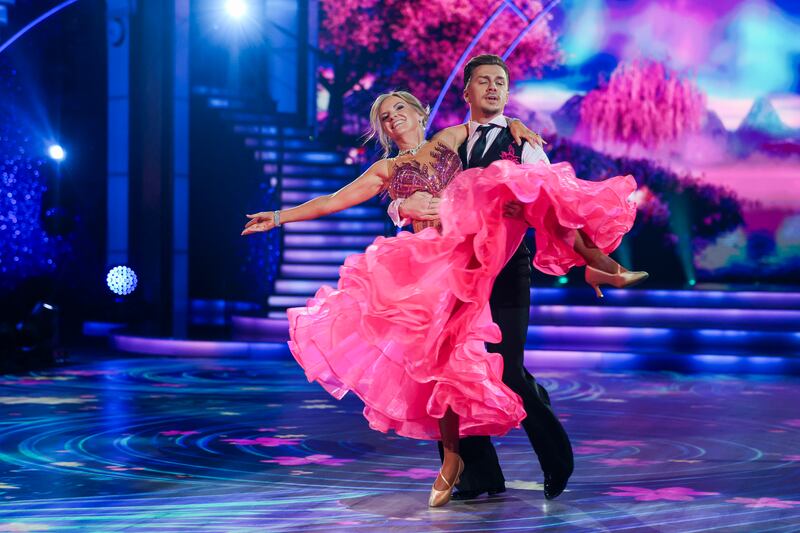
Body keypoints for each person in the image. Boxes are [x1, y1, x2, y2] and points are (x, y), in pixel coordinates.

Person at [243, 86, 643, 506]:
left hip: (474, 252)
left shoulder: (448, 141)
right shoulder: (385, 169)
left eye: (399, 109)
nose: (392, 118)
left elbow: (492, 124)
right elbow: (331, 201)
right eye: (384, 116)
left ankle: (596, 260)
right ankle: (457, 465)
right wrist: (276, 216)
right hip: (426, 266)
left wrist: (518, 125)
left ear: (420, 113)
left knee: (529, 192)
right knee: (441, 363)